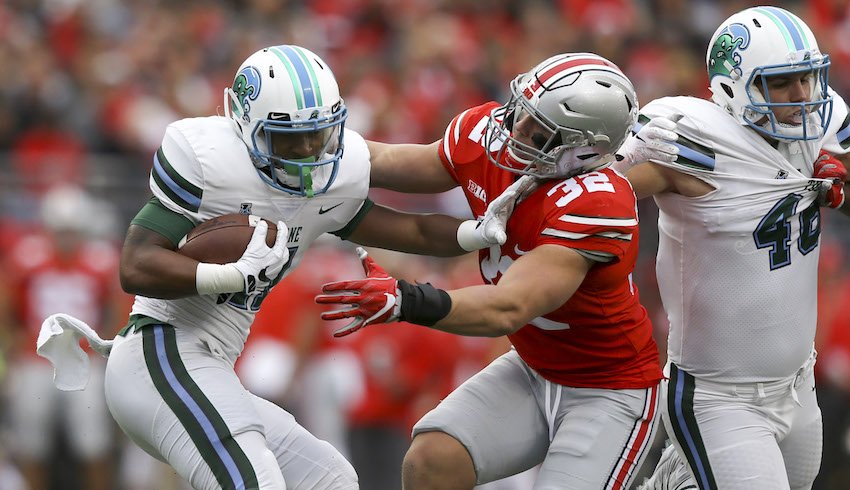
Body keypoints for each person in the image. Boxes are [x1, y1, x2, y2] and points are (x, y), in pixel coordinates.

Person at [40, 45, 518, 490]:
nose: (311, 151)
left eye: (319, 133)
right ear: (245, 126)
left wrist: (473, 232)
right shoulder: (210, 162)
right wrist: (226, 276)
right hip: (159, 354)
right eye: (292, 139)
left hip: (211, 367)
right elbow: (135, 264)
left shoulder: (328, 186)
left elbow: (410, 232)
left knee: (330, 479)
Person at [315, 52, 682, 490]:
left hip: (608, 389)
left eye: (539, 131)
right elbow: (389, 161)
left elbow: (508, 307)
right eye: (522, 112)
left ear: (585, 150)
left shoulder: (599, 204)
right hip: (532, 366)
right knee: (432, 461)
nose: (515, 132)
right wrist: (313, 147)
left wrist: (406, 299)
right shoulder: (488, 133)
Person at [614, 6, 850, 489]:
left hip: (798, 384)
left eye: (808, 79)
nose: (803, 96)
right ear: (733, 87)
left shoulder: (812, 126)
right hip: (718, 395)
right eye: (783, 83)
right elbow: (602, 192)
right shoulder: (693, 137)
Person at [2, 186, 122, 490]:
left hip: (84, 360)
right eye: (60, 230)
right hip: (36, 358)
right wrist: (14, 342)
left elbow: (115, 307)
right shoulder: (28, 258)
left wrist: (104, 343)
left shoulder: (99, 260)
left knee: (93, 441)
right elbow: (7, 304)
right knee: (31, 442)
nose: (66, 237)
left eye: (72, 230)